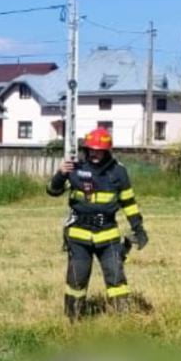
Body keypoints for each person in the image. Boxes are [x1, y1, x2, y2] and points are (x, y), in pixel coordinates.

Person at [47, 125, 149, 319]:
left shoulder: (119, 172)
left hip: (108, 236)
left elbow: (129, 203)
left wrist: (139, 229)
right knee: (77, 279)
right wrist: (60, 173)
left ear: (106, 151)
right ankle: (73, 319)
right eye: (91, 150)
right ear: (86, 150)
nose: (94, 154)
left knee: (116, 278)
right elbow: (52, 191)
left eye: (99, 151)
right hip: (78, 236)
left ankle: (122, 318)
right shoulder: (75, 169)